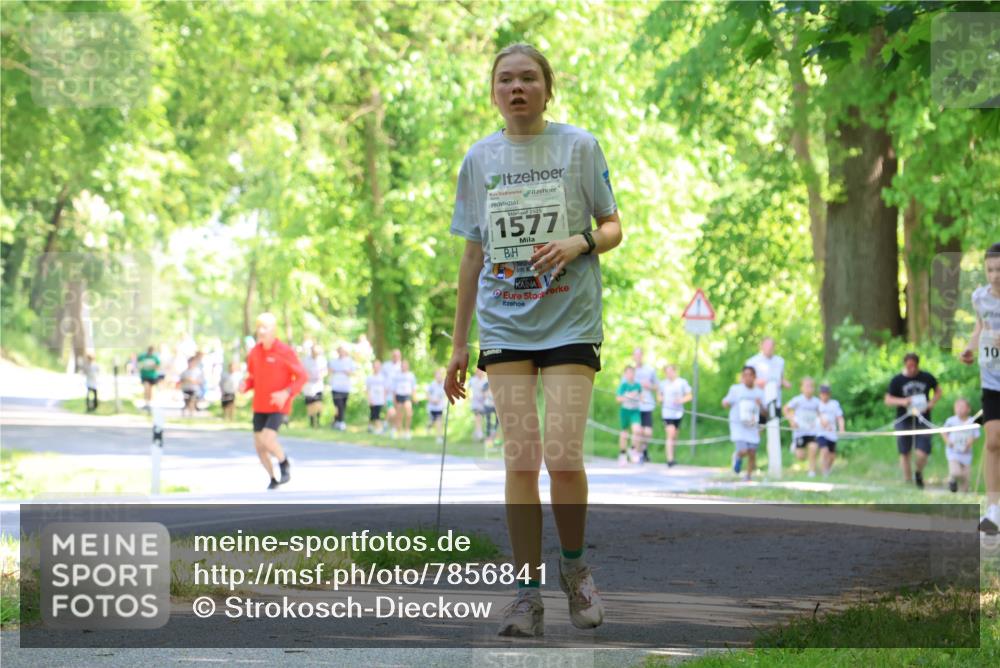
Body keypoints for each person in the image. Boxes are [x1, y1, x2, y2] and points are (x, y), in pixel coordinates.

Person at [443, 43, 621, 638]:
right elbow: (471, 254)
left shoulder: (579, 146)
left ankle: (574, 570)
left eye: (527, 78)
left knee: (563, 457)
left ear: (548, 87)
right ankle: (526, 594)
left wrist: (579, 243)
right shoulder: (479, 158)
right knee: (521, 459)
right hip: (505, 323)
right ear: (493, 91)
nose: (516, 88)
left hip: (570, 319)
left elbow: (613, 226)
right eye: (505, 80)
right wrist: (459, 343)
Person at [241, 312, 306, 490]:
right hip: (259, 405)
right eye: (259, 327)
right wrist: (244, 385)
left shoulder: (285, 351)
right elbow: (252, 378)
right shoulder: (254, 352)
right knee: (259, 447)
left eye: (265, 327)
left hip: (278, 404)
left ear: (274, 330)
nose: (261, 331)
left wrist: (287, 392)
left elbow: (302, 377)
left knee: (268, 439)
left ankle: (284, 463)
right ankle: (273, 478)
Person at [960, 242, 1000, 532]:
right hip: (992, 378)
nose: (995, 275)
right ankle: (994, 509)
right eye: (990, 269)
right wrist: (970, 348)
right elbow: (980, 327)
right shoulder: (979, 298)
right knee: (993, 439)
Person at [885, 352, 941, 488]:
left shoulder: (926, 377)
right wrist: (903, 401)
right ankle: (908, 481)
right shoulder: (897, 380)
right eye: (909, 366)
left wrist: (932, 403)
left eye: (914, 366)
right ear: (905, 365)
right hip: (904, 419)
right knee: (904, 451)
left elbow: (938, 390)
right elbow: (888, 399)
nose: (911, 369)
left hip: (923, 418)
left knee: (922, 451)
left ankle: (918, 473)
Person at [723, 366, 765, 482]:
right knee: (743, 450)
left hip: (752, 426)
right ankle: (738, 456)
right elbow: (725, 402)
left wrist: (760, 405)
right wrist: (726, 403)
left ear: (754, 377)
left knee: (752, 452)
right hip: (738, 426)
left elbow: (765, 413)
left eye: (750, 375)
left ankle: (748, 476)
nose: (747, 378)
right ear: (742, 377)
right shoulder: (735, 389)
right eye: (745, 375)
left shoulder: (759, 393)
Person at [783, 377, 822, 477]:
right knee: (801, 457)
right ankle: (795, 446)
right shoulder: (798, 400)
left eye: (811, 386)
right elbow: (786, 409)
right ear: (802, 388)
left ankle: (812, 471)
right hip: (800, 432)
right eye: (807, 386)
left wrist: (819, 422)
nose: (809, 388)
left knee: (813, 447)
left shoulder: (816, 402)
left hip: (812, 431)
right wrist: (792, 421)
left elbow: (820, 413)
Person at [746, 337, 791, 418]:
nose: (769, 347)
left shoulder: (780, 361)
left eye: (771, 345)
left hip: (775, 401)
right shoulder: (752, 362)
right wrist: (757, 382)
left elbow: (780, 378)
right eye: (767, 345)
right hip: (758, 401)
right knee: (757, 427)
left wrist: (784, 383)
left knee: (774, 426)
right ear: (761, 346)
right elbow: (745, 380)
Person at [942, 398, 981, 494]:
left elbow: (976, 435)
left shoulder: (972, 421)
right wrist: (948, 441)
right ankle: (952, 480)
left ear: (968, 409)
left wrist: (970, 442)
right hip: (953, 451)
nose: (959, 409)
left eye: (962, 407)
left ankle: (964, 495)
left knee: (966, 477)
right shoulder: (951, 421)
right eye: (957, 407)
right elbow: (943, 432)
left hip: (966, 452)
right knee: (956, 472)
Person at [656, 363, 692, 467]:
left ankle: (673, 456)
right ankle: (669, 459)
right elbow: (659, 397)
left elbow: (689, 395)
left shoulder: (682, 382)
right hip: (667, 413)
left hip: (678, 413)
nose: (669, 374)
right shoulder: (663, 384)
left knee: (675, 436)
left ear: (675, 371)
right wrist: (661, 399)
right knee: (670, 434)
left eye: (671, 371)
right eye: (667, 372)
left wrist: (681, 400)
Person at [631, 348, 658, 463]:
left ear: (642, 356)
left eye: (640, 355)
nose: (638, 357)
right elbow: (624, 387)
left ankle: (642, 449)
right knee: (638, 431)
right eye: (636, 355)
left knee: (647, 432)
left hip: (647, 405)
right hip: (634, 405)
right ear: (633, 357)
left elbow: (657, 386)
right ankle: (636, 454)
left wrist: (649, 386)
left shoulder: (650, 370)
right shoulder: (630, 371)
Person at [815, 384, 845, 476]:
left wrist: (841, 429)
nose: (824, 395)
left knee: (832, 456)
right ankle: (824, 473)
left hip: (832, 434)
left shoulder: (834, 404)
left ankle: (827, 469)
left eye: (826, 393)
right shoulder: (816, 404)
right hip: (820, 432)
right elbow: (817, 416)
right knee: (824, 450)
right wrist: (824, 423)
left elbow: (839, 417)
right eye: (822, 393)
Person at [616, 365, 643, 466]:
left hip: (635, 411)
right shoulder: (623, 386)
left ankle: (632, 449)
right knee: (624, 433)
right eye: (628, 373)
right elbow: (618, 400)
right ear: (625, 374)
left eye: (632, 373)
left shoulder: (638, 385)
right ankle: (622, 455)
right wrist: (628, 396)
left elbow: (641, 396)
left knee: (637, 430)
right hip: (625, 411)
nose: (630, 375)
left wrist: (641, 398)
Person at [328, 345, 356, 431]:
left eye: (343, 351)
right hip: (336, 387)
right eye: (339, 351)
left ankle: (336, 421)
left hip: (345, 387)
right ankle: (341, 422)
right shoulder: (333, 361)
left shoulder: (350, 361)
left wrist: (347, 372)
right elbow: (329, 370)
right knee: (338, 405)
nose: (341, 353)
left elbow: (352, 372)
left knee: (343, 406)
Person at [302, 345, 328, 428]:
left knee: (318, 402)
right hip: (308, 384)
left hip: (318, 384)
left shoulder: (322, 360)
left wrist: (321, 375)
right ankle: (312, 422)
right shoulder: (305, 360)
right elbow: (301, 370)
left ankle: (318, 420)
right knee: (310, 403)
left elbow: (325, 371)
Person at [394, 359, 418, 440]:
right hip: (399, 395)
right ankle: (399, 431)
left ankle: (407, 431)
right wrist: (394, 398)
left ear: (408, 366)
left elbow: (413, 388)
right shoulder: (397, 375)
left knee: (409, 413)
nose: (404, 367)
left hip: (407, 395)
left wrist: (414, 397)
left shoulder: (411, 375)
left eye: (405, 365)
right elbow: (394, 388)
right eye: (402, 365)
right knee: (399, 414)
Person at [381, 349, 402, 438]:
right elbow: (381, 379)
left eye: (397, 356)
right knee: (391, 410)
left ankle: (393, 430)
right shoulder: (386, 366)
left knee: (397, 412)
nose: (395, 357)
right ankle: (385, 424)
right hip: (388, 393)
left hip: (398, 393)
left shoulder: (401, 366)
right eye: (394, 355)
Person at [426, 368, 447, 444]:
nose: (439, 377)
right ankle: (428, 426)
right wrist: (432, 400)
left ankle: (439, 437)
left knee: (439, 421)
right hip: (432, 407)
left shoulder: (444, 384)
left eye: (440, 375)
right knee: (432, 421)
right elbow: (427, 395)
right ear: (435, 376)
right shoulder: (432, 384)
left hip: (440, 407)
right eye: (437, 375)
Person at [366, 360, 387, 434]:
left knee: (376, 414)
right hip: (372, 398)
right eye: (375, 366)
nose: (376, 368)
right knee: (373, 413)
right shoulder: (369, 377)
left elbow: (385, 389)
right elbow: (367, 389)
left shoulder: (383, 378)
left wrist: (384, 399)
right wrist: (369, 399)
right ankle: (370, 427)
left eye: (378, 366)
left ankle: (379, 429)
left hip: (380, 399)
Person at [470, 368, 489, 440]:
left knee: (483, 419)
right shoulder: (472, 380)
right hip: (475, 403)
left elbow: (488, 391)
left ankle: (477, 432)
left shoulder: (486, 380)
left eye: (481, 371)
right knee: (478, 416)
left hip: (485, 403)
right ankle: (479, 433)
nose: (479, 372)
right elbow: (468, 390)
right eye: (478, 371)